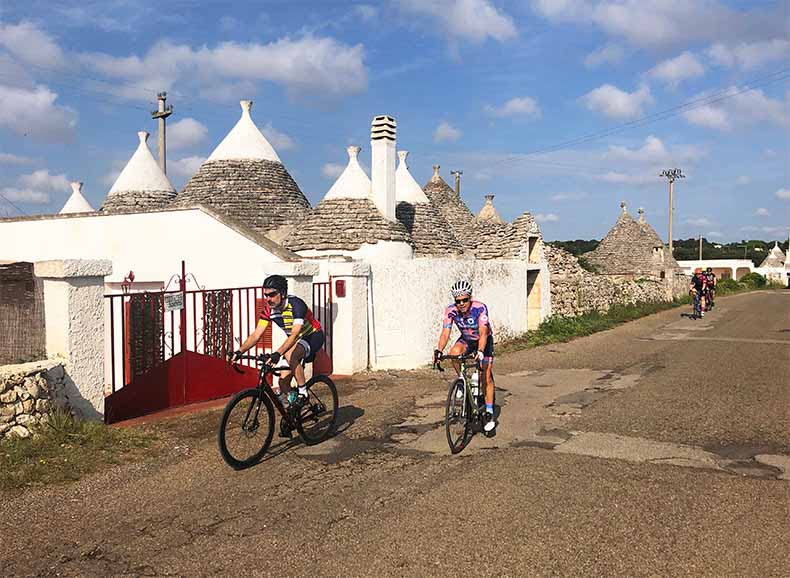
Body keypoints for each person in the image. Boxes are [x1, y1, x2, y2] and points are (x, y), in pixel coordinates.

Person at [233, 275, 325, 407]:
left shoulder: (296, 304)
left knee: (290, 355)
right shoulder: (268, 310)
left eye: (272, 294)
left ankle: (303, 392)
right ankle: (294, 411)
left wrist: (277, 354)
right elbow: (256, 335)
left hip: (312, 336)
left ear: (282, 294)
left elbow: (294, 334)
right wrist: (239, 351)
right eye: (266, 295)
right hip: (295, 340)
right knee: (282, 383)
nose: (268, 299)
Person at [434, 280, 496, 433]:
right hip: (467, 340)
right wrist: (439, 351)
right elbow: (445, 333)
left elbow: (483, 332)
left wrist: (480, 351)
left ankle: (489, 411)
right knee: (454, 353)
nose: (461, 304)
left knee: (485, 377)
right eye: (458, 301)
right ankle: (462, 380)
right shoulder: (450, 310)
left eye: (464, 300)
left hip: (483, 342)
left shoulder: (479, 308)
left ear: (470, 298)